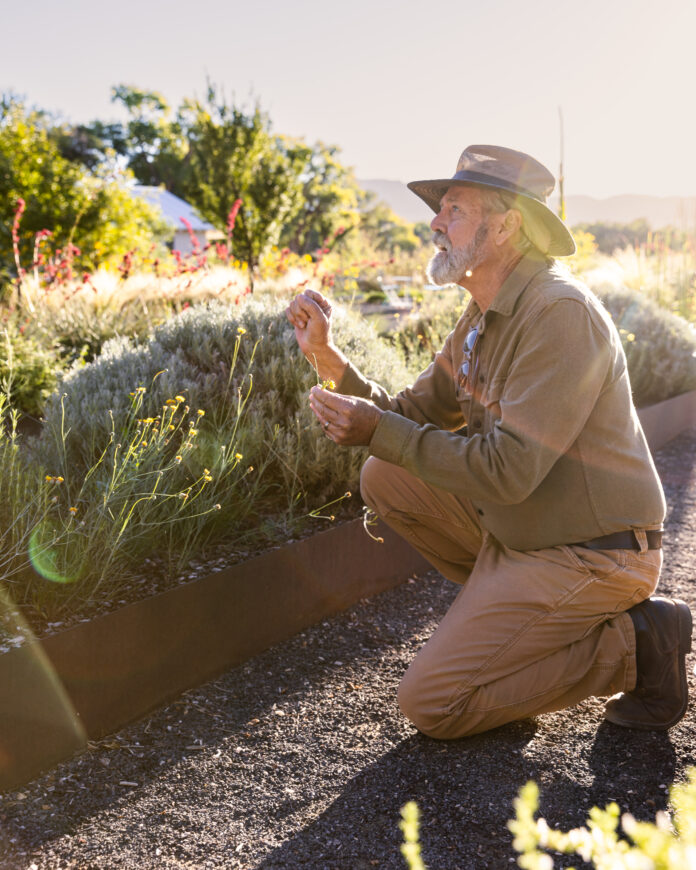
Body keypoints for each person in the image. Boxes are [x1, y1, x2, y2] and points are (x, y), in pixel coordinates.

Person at [285, 144, 692, 738]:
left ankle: (639, 645)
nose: (434, 223)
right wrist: (327, 357)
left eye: (454, 209)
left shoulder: (560, 313)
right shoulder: (480, 316)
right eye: (440, 209)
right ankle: (510, 629)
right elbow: (408, 414)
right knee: (385, 474)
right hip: (524, 532)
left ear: (506, 226)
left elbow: (508, 470)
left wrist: (379, 429)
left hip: (597, 552)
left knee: (435, 704)